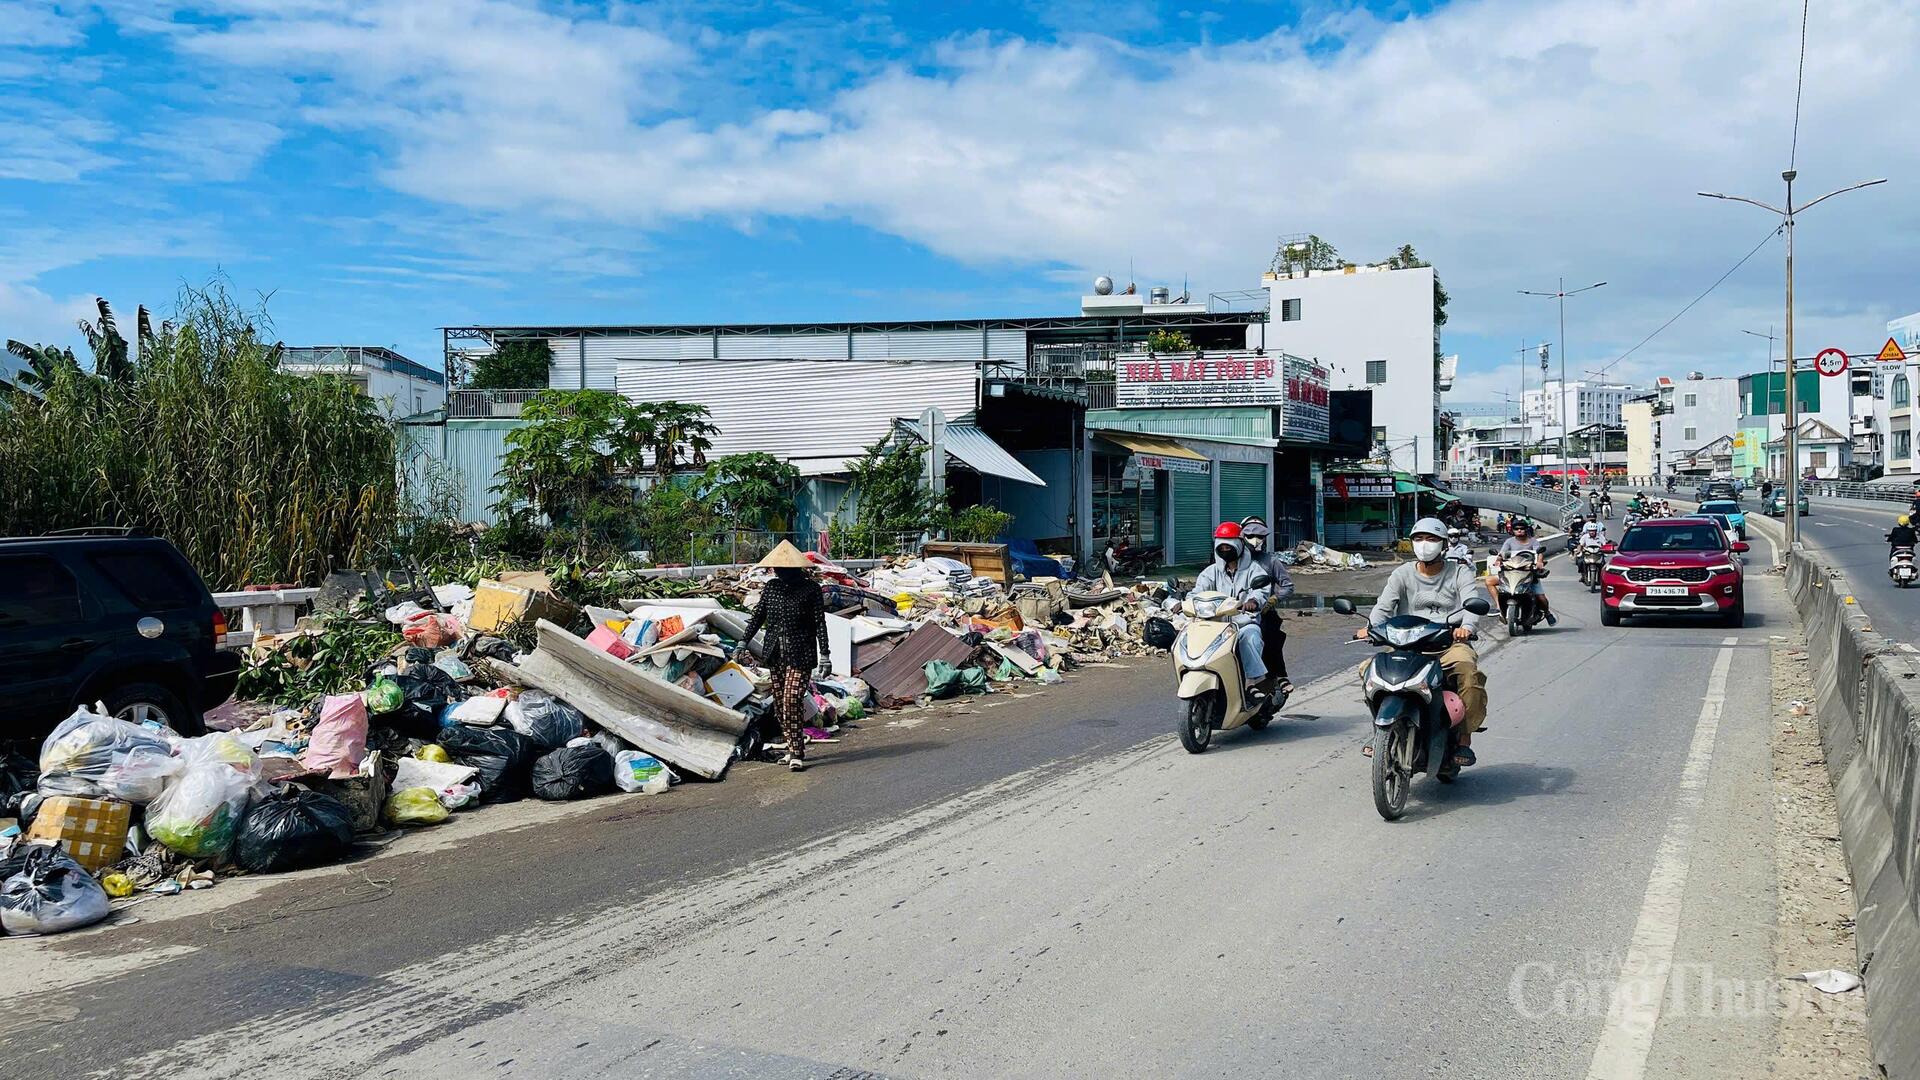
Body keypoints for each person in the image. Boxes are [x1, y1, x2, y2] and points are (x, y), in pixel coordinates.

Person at [1356, 518, 1490, 766]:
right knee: (1368, 671)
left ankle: (1464, 739)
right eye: (1419, 539)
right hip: (1406, 644)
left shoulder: (1460, 571)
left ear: (1443, 545)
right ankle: (1381, 732)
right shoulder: (1402, 573)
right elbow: (1383, 606)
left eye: (1431, 539)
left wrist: (1466, 628)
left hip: (1448, 644)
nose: (1424, 544)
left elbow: (1472, 602)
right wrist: (1371, 628)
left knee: (1468, 672)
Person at [740, 541, 831, 771]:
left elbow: (820, 622)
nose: (778, 571)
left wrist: (825, 655)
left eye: (782, 568)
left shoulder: (811, 590)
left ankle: (797, 751)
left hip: (801, 653)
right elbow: (758, 615)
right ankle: (792, 748)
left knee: (792, 699)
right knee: (781, 704)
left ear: (794, 568)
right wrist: (743, 641)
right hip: (775, 654)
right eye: (775, 568)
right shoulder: (772, 588)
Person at [1193, 522, 1274, 698]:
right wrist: (1184, 603)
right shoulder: (1211, 572)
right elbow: (1197, 592)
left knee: (1251, 637)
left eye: (1228, 545)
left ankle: (1253, 681)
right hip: (1216, 627)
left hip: (1243, 624)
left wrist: (1254, 600)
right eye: (1220, 546)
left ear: (1238, 545)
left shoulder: (1253, 569)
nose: (1224, 549)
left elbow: (1261, 590)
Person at [1237, 516, 1296, 695]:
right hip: (1233, 611)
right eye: (1251, 535)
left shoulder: (1271, 562)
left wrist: (1272, 600)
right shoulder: (1231, 561)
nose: (1256, 540)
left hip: (1262, 611)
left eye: (1260, 536)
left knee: (1270, 636)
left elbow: (1288, 586)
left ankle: (1279, 676)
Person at [1496, 520, 1556, 626]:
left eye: (1522, 528)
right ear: (1513, 530)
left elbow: (1539, 553)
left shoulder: (1533, 541)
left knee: (1541, 597)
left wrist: (1539, 562)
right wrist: (1498, 560)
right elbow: (1502, 553)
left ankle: (1547, 613)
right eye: (1516, 529)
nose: (1519, 530)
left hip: (1529, 573)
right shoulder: (1509, 542)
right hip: (1512, 572)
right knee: (1500, 589)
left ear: (1526, 530)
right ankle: (1501, 611)